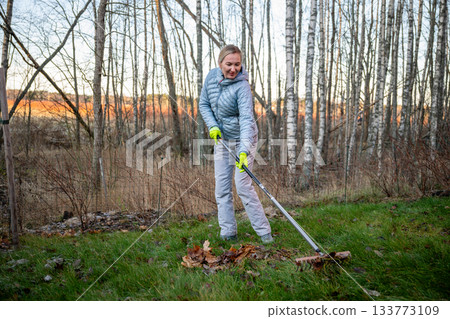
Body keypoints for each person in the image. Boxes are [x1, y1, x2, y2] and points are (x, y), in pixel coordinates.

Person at [199, 44, 273, 244]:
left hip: (244, 139)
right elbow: (203, 103)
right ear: (220, 63)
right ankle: (228, 232)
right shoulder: (211, 78)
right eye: (229, 64)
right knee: (222, 188)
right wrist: (213, 126)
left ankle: (264, 233)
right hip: (222, 141)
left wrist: (243, 152)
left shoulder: (242, 87)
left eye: (237, 65)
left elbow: (248, 121)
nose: (233, 69)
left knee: (243, 186)